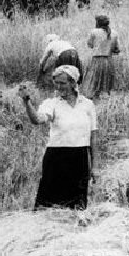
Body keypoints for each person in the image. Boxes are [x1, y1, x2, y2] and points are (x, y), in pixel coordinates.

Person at [19, 65, 98, 210]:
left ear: (74, 83)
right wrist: (27, 102)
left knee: (77, 207)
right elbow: (37, 119)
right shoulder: (52, 104)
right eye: (56, 83)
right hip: (56, 159)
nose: (58, 87)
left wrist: (95, 166)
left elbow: (93, 138)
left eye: (63, 83)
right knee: (49, 207)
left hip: (80, 159)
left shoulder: (88, 105)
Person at [80, 15, 120, 99]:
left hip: (97, 59)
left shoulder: (94, 32)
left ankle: (92, 98)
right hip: (108, 60)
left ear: (98, 22)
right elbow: (117, 49)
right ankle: (105, 99)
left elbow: (90, 44)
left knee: (93, 80)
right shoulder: (114, 33)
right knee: (106, 82)